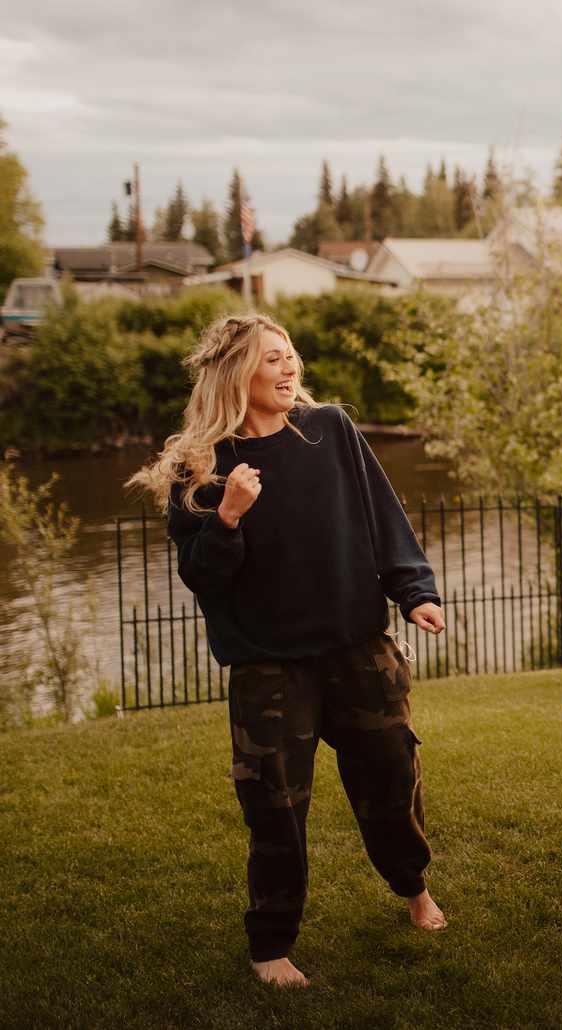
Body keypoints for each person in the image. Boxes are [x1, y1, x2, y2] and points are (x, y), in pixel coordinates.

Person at [127, 313, 447, 988]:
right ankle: (271, 944)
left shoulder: (329, 429)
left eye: (290, 355)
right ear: (234, 374)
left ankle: (413, 887)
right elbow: (201, 574)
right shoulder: (200, 467)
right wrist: (230, 515)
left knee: (392, 778)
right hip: (268, 662)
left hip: (359, 647)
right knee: (273, 803)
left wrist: (414, 590)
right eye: (271, 360)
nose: (288, 368)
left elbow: (382, 516)